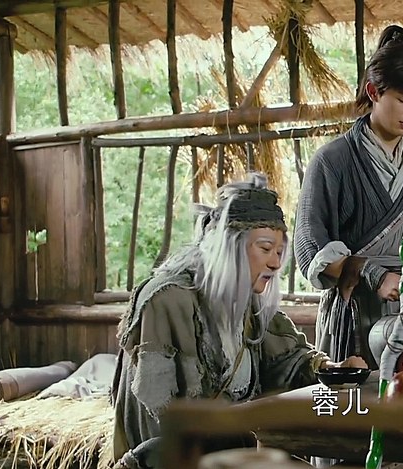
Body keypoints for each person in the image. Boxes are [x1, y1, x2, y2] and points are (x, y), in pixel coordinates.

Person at [111, 173, 366, 469]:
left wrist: (331, 369)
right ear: (230, 245)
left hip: (235, 448)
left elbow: (287, 360)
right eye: (265, 249)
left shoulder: (248, 303)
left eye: (279, 252)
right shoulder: (168, 299)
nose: (275, 263)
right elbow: (160, 408)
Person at [294, 24, 403, 369]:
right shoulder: (332, 161)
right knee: (354, 399)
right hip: (355, 312)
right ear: (373, 91)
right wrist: (372, 274)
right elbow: (310, 250)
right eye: (402, 99)